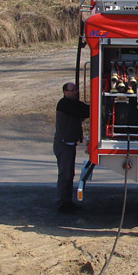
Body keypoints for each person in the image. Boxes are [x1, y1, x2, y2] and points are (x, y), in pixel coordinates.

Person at [54, 82, 90, 213]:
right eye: (72, 90)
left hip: (69, 143)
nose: (75, 92)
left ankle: (67, 201)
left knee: (69, 174)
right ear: (65, 92)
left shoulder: (72, 104)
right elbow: (84, 111)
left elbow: (85, 109)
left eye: (76, 89)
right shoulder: (64, 105)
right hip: (63, 144)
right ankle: (61, 203)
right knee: (65, 174)